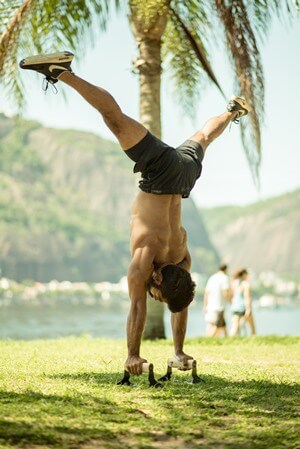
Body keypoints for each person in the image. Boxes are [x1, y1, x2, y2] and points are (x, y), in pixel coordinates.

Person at [19, 51, 251, 374]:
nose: (153, 294)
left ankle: (231, 112)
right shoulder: (147, 255)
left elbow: (178, 302)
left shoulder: (183, 260)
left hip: (183, 177)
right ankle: (62, 72)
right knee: (114, 118)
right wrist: (132, 354)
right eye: (156, 291)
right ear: (157, 277)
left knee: (204, 137)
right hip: (159, 174)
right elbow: (137, 307)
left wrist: (179, 352)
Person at [203, 264, 232, 337]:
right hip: (219, 306)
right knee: (217, 326)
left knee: (217, 324)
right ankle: (209, 340)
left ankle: (226, 338)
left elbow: (206, 293)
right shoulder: (225, 278)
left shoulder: (212, 278)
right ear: (226, 270)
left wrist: (205, 306)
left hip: (210, 306)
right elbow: (225, 293)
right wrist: (231, 302)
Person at [229, 268, 256, 336]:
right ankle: (254, 340)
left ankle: (229, 340)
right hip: (243, 307)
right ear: (244, 275)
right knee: (252, 326)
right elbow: (247, 297)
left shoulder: (234, 283)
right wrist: (248, 309)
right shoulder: (246, 284)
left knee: (235, 326)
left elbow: (231, 295)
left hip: (235, 307)